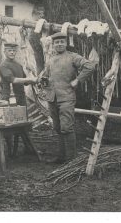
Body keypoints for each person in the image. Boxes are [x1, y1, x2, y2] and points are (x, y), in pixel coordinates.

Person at [39, 32, 95, 163]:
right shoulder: (50, 59)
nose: (59, 44)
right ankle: (61, 157)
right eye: (56, 42)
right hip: (52, 98)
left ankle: (71, 160)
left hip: (66, 98)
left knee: (66, 127)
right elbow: (46, 76)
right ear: (53, 44)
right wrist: (43, 80)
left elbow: (89, 66)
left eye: (61, 42)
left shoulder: (72, 57)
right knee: (57, 128)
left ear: (65, 43)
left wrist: (77, 80)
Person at [0, 41, 37, 106]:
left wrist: (36, 80)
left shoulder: (19, 65)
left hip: (21, 98)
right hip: (9, 98)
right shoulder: (4, 65)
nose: (12, 52)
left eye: (14, 50)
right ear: (4, 52)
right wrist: (30, 79)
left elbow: (25, 82)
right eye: (9, 50)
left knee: (23, 115)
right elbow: (13, 80)